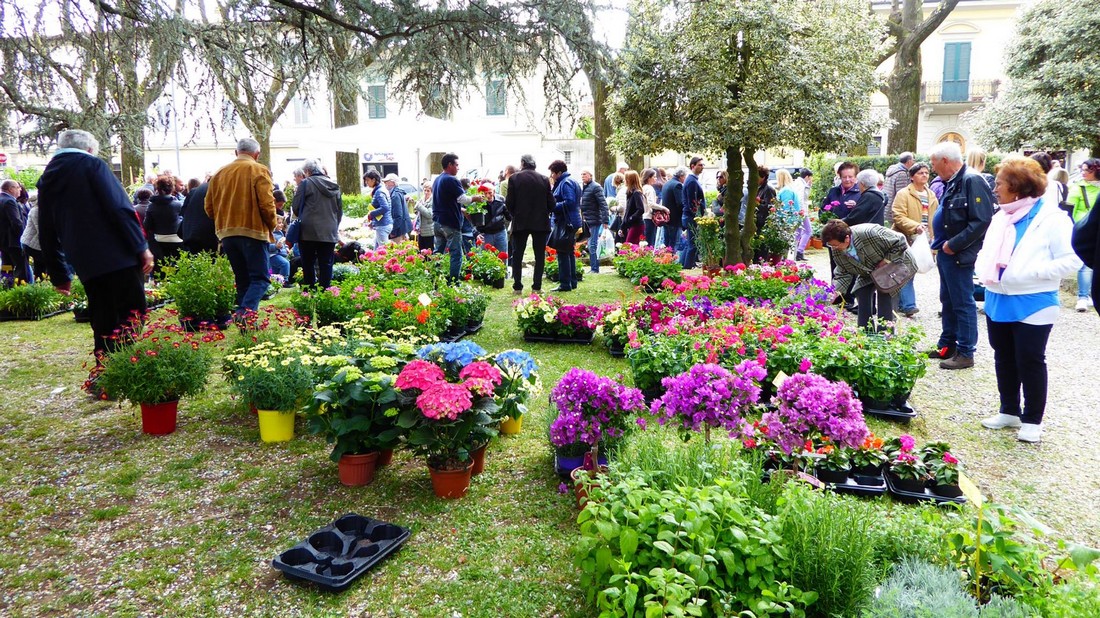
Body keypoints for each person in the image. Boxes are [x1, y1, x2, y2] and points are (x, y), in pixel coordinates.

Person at [36, 129, 153, 394]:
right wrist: (141, 246)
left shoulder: (49, 177)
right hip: (117, 254)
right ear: (90, 149)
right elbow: (120, 208)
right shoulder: (92, 165)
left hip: (85, 260)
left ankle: (105, 375)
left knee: (102, 316)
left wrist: (58, 272)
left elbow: (46, 228)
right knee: (132, 313)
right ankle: (124, 372)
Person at [974, 156, 1081, 444]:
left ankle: (1033, 420)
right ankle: (1009, 410)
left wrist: (1030, 273)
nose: (995, 189)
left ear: (1018, 188)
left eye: (999, 184)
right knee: (1004, 357)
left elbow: (1072, 260)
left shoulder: (1052, 219)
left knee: (1030, 359)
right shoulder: (1001, 215)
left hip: (1035, 300)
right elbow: (987, 251)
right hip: (998, 296)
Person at [927, 140, 994, 369]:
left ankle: (966, 352)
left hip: (958, 253)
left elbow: (982, 220)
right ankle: (947, 345)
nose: (934, 170)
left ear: (946, 161)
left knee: (963, 302)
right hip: (947, 252)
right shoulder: (954, 181)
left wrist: (953, 245)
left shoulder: (971, 180)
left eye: (935, 165)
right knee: (948, 299)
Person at [205, 137, 278, 317]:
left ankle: (245, 320)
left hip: (227, 233)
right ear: (257, 154)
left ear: (237, 152)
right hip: (253, 231)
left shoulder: (219, 173)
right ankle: (244, 314)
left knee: (242, 278)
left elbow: (208, 207)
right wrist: (273, 225)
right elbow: (267, 204)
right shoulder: (258, 170)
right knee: (260, 279)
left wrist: (224, 222)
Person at [823, 219, 914, 331]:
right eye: (830, 245)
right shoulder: (836, 249)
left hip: (896, 264)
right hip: (871, 269)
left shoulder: (869, 232)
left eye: (835, 245)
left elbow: (900, 241)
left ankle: (885, 336)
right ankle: (865, 332)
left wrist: (886, 260)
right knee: (860, 291)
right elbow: (843, 273)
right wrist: (834, 293)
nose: (833, 248)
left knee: (885, 294)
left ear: (847, 238)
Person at [891, 162, 939, 318]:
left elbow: (935, 216)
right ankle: (909, 305)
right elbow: (898, 216)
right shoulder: (904, 194)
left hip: (924, 239)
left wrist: (933, 235)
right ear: (912, 176)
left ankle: (899, 303)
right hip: (906, 238)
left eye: (926, 173)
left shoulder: (931, 195)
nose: (924, 175)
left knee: (908, 270)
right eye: (920, 173)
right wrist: (914, 226)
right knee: (907, 270)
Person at [505, 154, 553, 294]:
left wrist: (515, 214)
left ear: (522, 163)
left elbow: (509, 202)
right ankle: (536, 286)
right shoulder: (544, 179)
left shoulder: (514, 178)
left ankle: (518, 286)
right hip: (540, 222)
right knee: (539, 255)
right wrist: (545, 212)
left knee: (517, 254)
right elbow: (551, 202)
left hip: (520, 221)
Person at [294, 160, 342, 287]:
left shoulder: (305, 183)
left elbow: (296, 207)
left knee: (308, 262)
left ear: (308, 171)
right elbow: (339, 210)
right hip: (329, 230)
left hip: (308, 230)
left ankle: (310, 290)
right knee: (326, 262)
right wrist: (334, 225)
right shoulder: (334, 185)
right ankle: (325, 290)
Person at [1068, 159, 1100, 312]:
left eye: (1088, 170)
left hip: (1091, 229)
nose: (1084, 172)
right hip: (1082, 226)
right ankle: (1082, 296)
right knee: (1084, 266)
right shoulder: (1077, 187)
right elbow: (1070, 207)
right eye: (1083, 169)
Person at [548, 160, 582, 292]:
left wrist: (552, 206)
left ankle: (565, 283)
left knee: (562, 253)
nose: (551, 176)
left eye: (553, 173)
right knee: (568, 252)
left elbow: (570, 202)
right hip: (571, 220)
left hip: (566, 222)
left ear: (559, 173)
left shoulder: (565, 183)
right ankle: (571, 281)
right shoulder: (570, 181)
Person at [144, 176, 184, 279]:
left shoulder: (151, 206)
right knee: (178, 266)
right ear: (172, 188)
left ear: (157, 189)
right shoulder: (178, 205)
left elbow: (147, 225)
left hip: (159, 240)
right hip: (177, 239)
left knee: (161, 266)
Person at [580, 170, 609, 273]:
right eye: (582, 174)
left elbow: (603, 204)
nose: (582, 176)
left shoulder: (595, 187)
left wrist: (605, 220)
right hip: (587, 220)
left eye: (585, 174)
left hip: (594, 220)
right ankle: (593, 267)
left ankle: (594, 268)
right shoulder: (585, 187)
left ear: (590, 175)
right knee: (590, 244)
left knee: (593, 244)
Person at [775, 169, 808, 260]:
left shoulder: (786, 191)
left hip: (787, 222)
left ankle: (786, 262)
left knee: (786, 246)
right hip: (792, 220)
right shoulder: (789, 189)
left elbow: (786, 208)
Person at [0, 180, 28, 282]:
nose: (20, 189)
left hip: (4, 243)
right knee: (21, 269)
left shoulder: (1, 199)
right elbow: (16, 222)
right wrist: (23, 237)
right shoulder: (9, 201)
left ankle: (6, 285)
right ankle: (21, 291)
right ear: (11, 189)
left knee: (7, 266)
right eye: (17, 187)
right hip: (14, 243)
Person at [180, 181, 218, 255]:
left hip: (189, 235)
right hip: (210, 237)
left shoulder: (195, 190)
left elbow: (183, 212)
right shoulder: (217, 189)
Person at [681, 157, 705, 268]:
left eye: (702, 165)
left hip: (689, 216)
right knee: (693, 244)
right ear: (692, 166)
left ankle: (684, 265)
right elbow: (692, 202)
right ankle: (687, 266)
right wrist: (697, 216)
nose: (702, 167)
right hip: (691, 216)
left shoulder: (692, 180)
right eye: (699, 165)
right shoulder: (691, 181)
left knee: (690, 244)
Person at [475, 182, 509, 255]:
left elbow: (508, 216)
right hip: (485, 233)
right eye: (485, 193)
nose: (488, 195)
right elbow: (473, 221)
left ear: (494, 192)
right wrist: (477, 233)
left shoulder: (501, 200)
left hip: (500, 232)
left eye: (490, 193)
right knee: (484, 258)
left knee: (502, 256)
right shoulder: (478, 202)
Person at [362, 169, 392, 250]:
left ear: (374, 180)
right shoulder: (381, 189)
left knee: (384, 251)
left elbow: (385, 207)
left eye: (367, 180)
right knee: (376, 250)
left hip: (383, 225)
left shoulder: (379, 192)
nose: (366, 182)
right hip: (383, 224)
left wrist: (371, 214)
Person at [641, 168, 669, 247]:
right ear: (649, 178)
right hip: (649, 217)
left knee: (646, 241)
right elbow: (651, 204)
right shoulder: (649, 188)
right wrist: (663, 208)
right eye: (654, 177)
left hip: (644, 216)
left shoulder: (644, 187)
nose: (656, 179)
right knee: (650, 241)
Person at [661, 168, 686, 255]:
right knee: (674, 242)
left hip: (666, 219)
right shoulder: (678, 185)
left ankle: (665, 261)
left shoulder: (667, 184)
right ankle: (670, 262)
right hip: (675, 219)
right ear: (681, 176)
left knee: (667, 242)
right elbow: (680, 203)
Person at [790, 170, 813, 260]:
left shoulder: (800, 183)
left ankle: (795, 252)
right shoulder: (801, 184)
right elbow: (800, 198)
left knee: (798, 232)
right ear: (807, 176)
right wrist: (802, 212)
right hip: (801, 212)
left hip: (799, 211)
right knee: (808, 231)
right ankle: (799, 251)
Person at [383, 173, 412, 242]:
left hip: (399, 230)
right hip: (403, 228)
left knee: (397, 250)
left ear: (392, 182)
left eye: (387, 181)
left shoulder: (395, 195)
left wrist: (393, 231)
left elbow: (398, 215)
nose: (385, 183)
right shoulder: (398, 192)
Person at [619, 170, 646, 245]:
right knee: (633, 247)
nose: (624, 180)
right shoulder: (630, 193)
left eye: (626, 178)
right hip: (632, 224)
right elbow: (628, 211)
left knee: (628, 246)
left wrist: (631, 218)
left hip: (637, 225)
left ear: (629, 180)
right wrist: (622, 227)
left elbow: (641, 209)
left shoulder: (636, 193)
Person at [268, 216, 291, 280]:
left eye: (282, 223)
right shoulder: (270, 234)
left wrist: (286, 247)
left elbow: (283, 243)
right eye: (279, 223)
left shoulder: (280, 233)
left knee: (276, 271)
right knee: (285, 264)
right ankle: (285, 280)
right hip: (273, 255)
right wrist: (276, 246)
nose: (282, 224)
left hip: (281, 254)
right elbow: (267, 247)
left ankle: (276, 282)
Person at [416, 183, 435, 253]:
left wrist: (419, 206)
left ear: (431, 191)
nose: (426, 192)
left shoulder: (433, 200)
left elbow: (429, 214)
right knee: (421, 250)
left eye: (428, 191)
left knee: (429, 251)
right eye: (425, 190)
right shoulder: (422, 199)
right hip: (421, 230)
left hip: (429, 230)